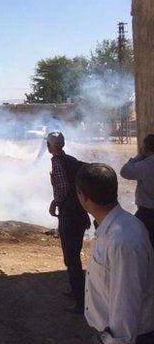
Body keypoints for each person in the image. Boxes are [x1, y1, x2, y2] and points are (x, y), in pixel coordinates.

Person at [76, 163, 154, 344]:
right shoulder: (111, 228)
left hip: (121, 338)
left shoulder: (123, 240)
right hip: (106, 333)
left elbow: (126, 303)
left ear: (84, 197)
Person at [46, 131, 91, 313]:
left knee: (71, 258)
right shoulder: (71, 160)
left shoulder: (57, 162)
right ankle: (77, 291)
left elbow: (63, 188)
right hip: (79, 213)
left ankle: (81, 302)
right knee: (75, 255)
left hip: (69, 215)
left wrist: (54, 203)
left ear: (51, 146)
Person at [120, 134, 154, 249]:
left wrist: (139, 155)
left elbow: (125, 171)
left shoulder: (147, 165)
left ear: (146, 148)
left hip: (148, 214)